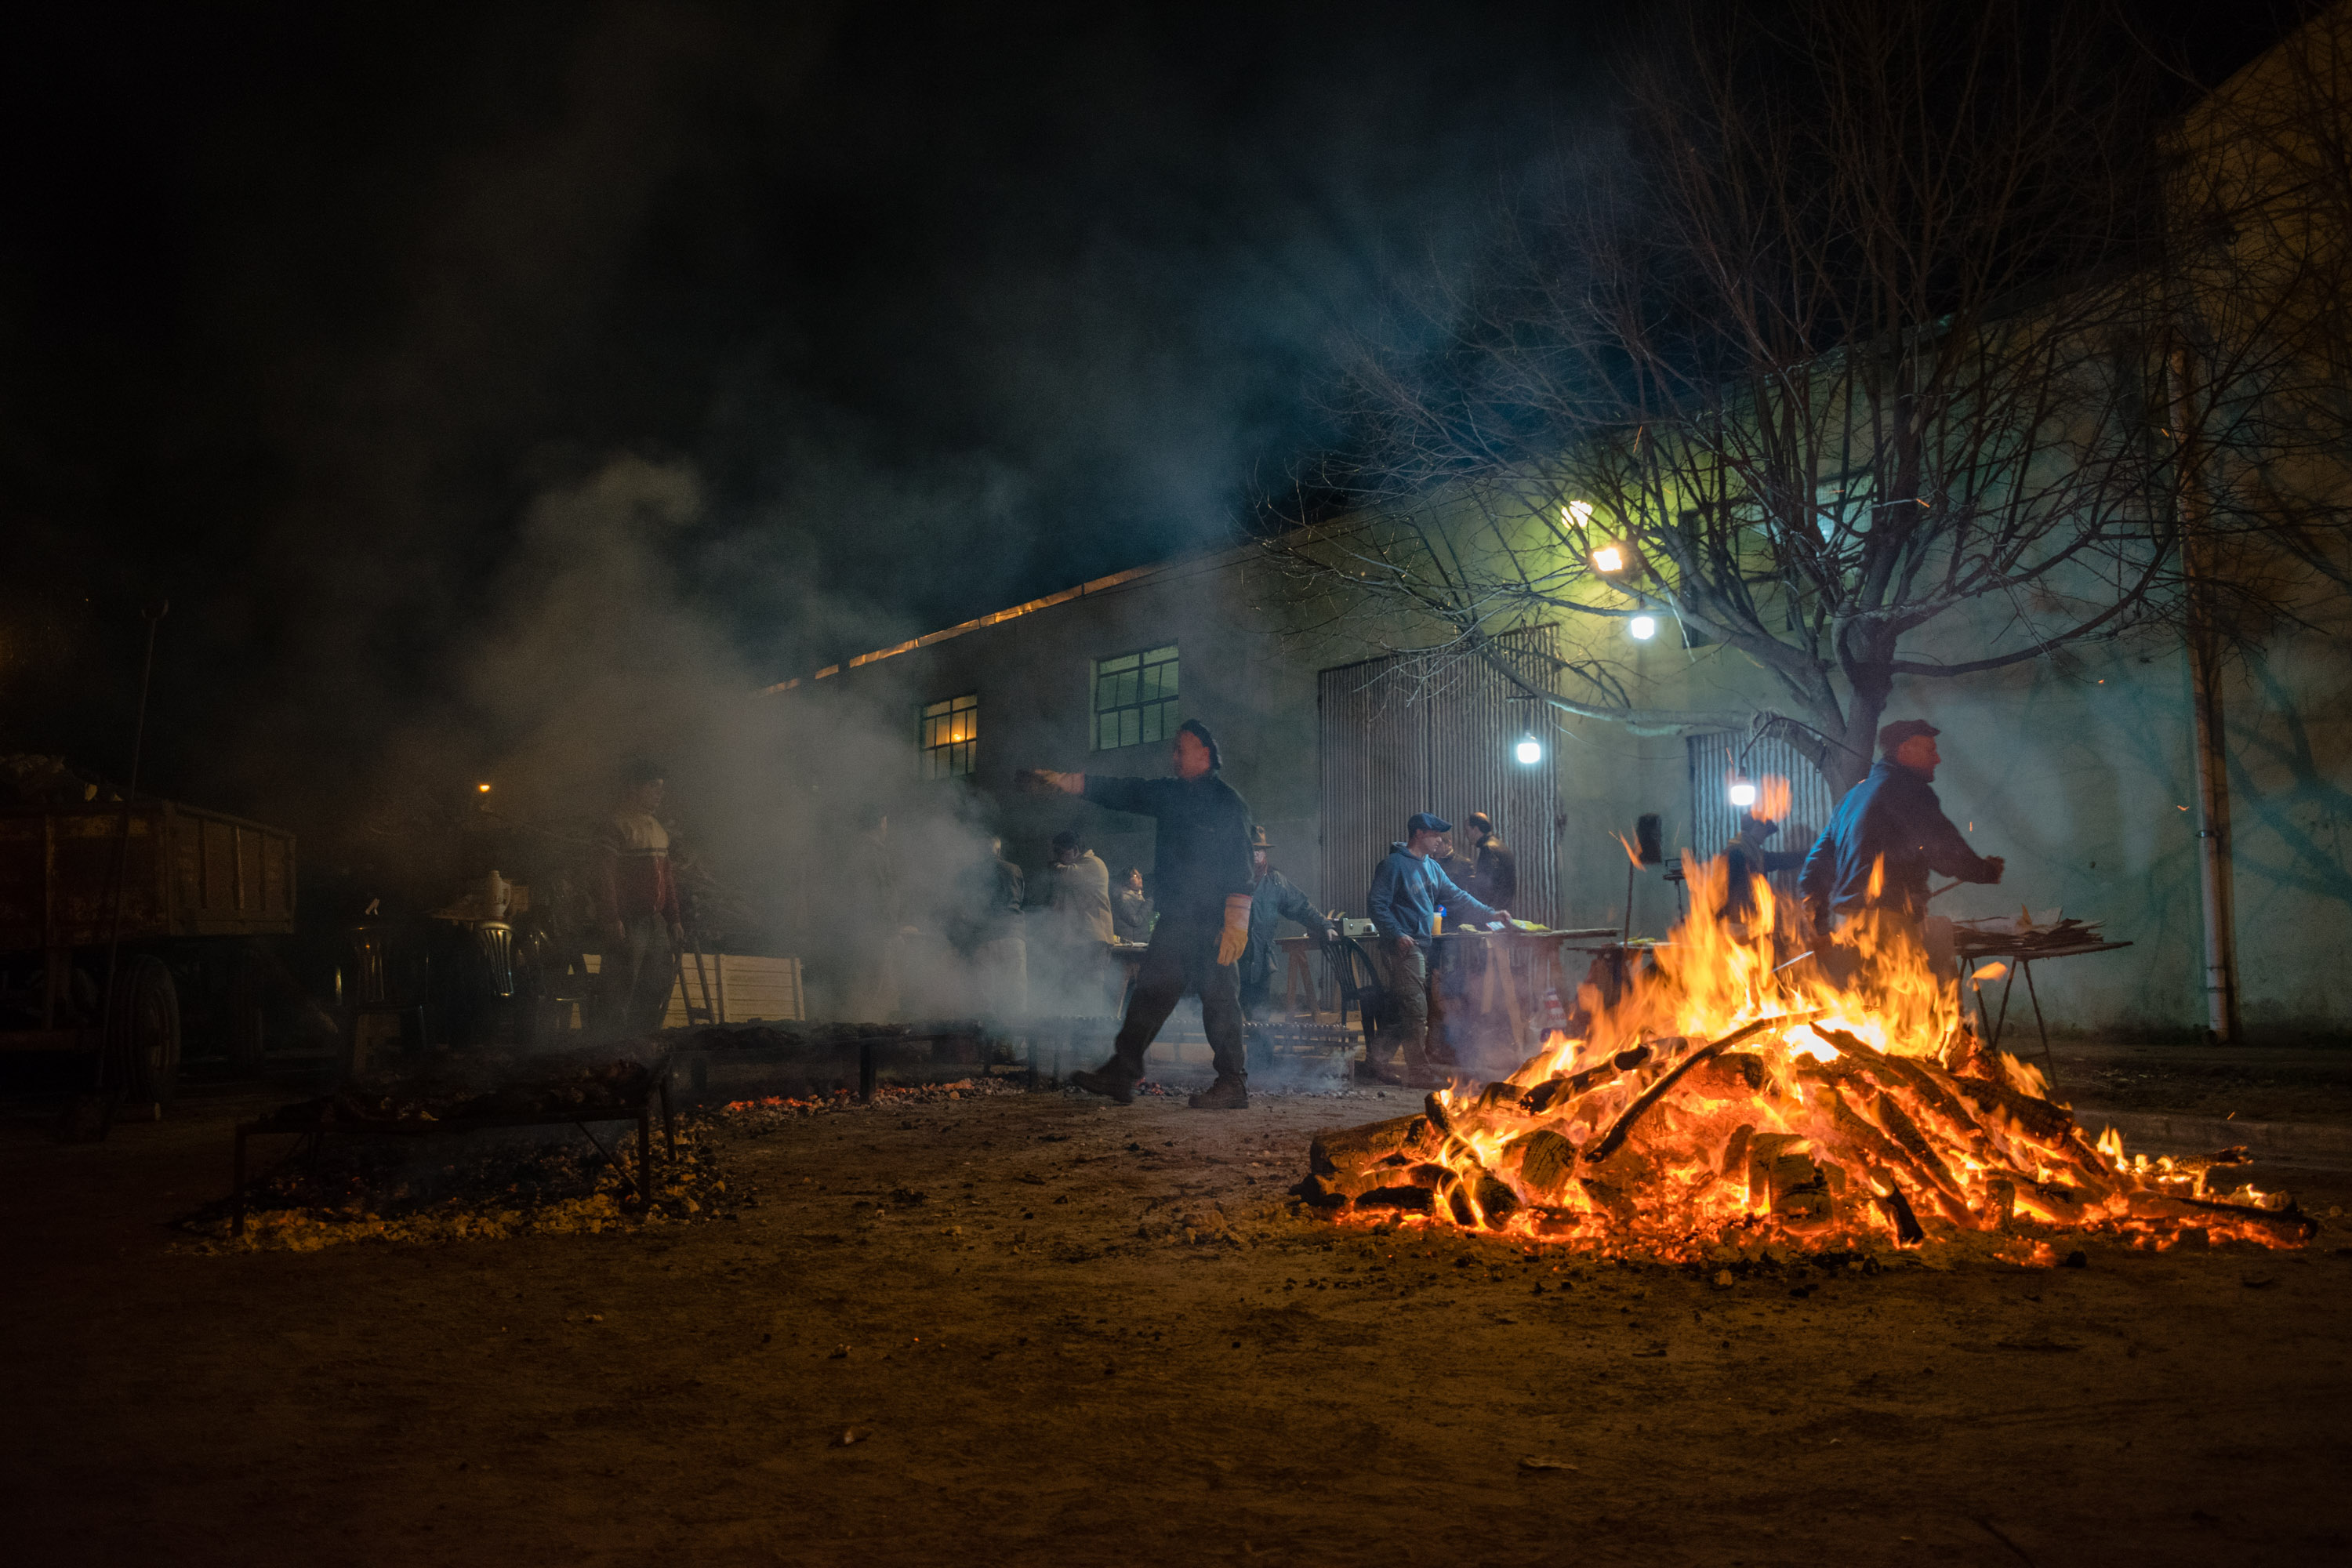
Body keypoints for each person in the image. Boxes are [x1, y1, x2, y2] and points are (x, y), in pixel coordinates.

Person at [1018, 718, 1255, 1109]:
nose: (1174, 756)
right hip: (1177, 918)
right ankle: (1122, 1072)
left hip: (1213, 922)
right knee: (1148, 997)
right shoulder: (1170, 794)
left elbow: (1241, 863)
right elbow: (1123, 791)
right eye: (1173, 749)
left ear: (1206, 754)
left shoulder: (1229, 803)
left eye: (1181, 749)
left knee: (1221, 1000)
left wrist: (1236, 921)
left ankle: (1233, 1083)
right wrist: (1066, 781)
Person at [1798, 720, 2004, 975]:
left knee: (1866, 1008)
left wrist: (1819, 925)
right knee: (1903, 1004)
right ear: (1905, 750)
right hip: (1889, 924)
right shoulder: (1908, 790)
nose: (1937, 759)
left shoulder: (1851, 799)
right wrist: (1986, 871)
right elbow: (1943, 848)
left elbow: (1815, 867)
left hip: (1847, 924)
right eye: (1931, 750)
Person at [1367, 812, 1511, 1087]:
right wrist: (1397, 933)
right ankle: (1420, 1073)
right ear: (1419, 834)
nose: (1440, 840)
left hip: (1420, 945)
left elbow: (1457, 896)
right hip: (1403, 947)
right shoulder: (1393, 864)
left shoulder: (1432, 867)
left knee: (1405, 1008)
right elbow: (1377, 904)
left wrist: (1490, 914)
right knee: (1416, 1009)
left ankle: (1375, 1061)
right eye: (1435, 835)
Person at [593, 760, 682, 1038]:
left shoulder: (657, 829)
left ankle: (641, 1042)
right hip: (629, 922)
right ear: (634, 788)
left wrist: (674, 919)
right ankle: (608, 1044)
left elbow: (667, 879)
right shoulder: (616, 826)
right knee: (621, 986)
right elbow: (602, 876)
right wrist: (611, 917)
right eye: (653, 787)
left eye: (661, 788)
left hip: (655, 923)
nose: (660, 794)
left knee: (655, 983)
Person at [1238, 825, 1338, 1019]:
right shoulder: (1233, 882)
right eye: (1252, 849)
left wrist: (1325, 925)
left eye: (1260, 849)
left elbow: (1301, 907)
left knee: (1260, 1019)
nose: (1257, 854)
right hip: (1233, 960)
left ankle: (1262, 1051)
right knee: (1229, 1021)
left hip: (1261, 963)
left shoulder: (1276, 883)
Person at [1043, 829, 1115, 1011]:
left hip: (1093, 939)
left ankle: (1091, 1035)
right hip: (1079, 939)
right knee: (1073, 990)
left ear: (1075, 850)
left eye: (1062, 852)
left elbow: (1064, 873)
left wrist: (1053, 865)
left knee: (1090, 989)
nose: (1059, 857)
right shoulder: (1079, 867)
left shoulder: (1093, 864)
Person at [1721, 811, 1806, 927]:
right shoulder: (1737, 853)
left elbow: (1782, 860)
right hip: (1737, 920)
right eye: (1764, 829)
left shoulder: (1755, 854)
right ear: (1755, 828)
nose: (1765, 834)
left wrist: (1814, 853)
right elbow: (1733, 890)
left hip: (1746, 918)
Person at [1457, 812, 1519, 911]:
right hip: (1502, 909)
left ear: (1476, 830)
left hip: (1494, 911)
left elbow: (1486, 887)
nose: (1466, 835)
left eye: (1467, 830)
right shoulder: (1498, 845)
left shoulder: (1488, 849)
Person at [1112, 866, 1152, 943]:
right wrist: (1148, 903)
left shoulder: (1138, 897)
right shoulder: (1123, 898)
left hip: (1136, 943)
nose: (1140, 877)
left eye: (1139, 875)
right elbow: (1135, 920)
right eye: (1135, 876)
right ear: (1126, 881)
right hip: (1130, 945)